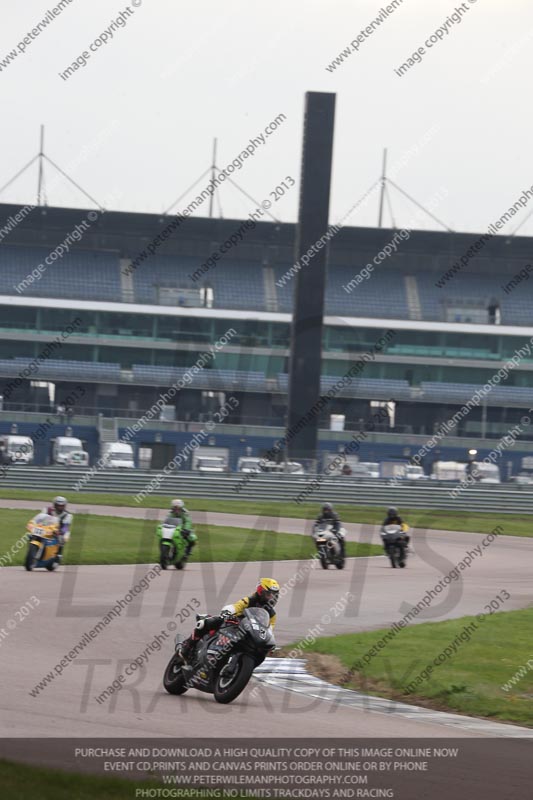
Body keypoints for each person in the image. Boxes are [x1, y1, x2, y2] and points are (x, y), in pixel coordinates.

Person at [178, 578, 280, 665]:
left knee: (260, 652)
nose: (272, 598)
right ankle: (187, 646)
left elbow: (269, 629)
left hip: (250, 634)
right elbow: (237, 606)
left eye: (275, 595)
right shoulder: (250, 600)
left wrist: (269, 642)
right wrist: (228, 612)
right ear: (260, 591)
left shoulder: (272, 614)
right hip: (235, 623)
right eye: (269, 595)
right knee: (205, 623)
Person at [47, 496, 73, 564]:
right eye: (58, 505)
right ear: (54, 505)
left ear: (65, 506)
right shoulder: (48, 510)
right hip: (47, 527)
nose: (60, 507)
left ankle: (59, 554)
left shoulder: (68, 515)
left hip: (60, 530)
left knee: (64, 537)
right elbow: (41, 518)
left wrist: (60, 532)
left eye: (62, 506)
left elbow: (66, 526)